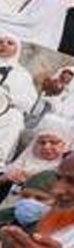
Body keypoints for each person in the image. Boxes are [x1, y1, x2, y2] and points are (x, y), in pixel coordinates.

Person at [0, 33, 37, 163]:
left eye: (10, 43)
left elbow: (29, 102)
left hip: (6, 110)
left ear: (17, 49)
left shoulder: (22, 74)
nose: (4, 45)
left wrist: (10, 96)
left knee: (15, 118)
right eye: (1, 42)